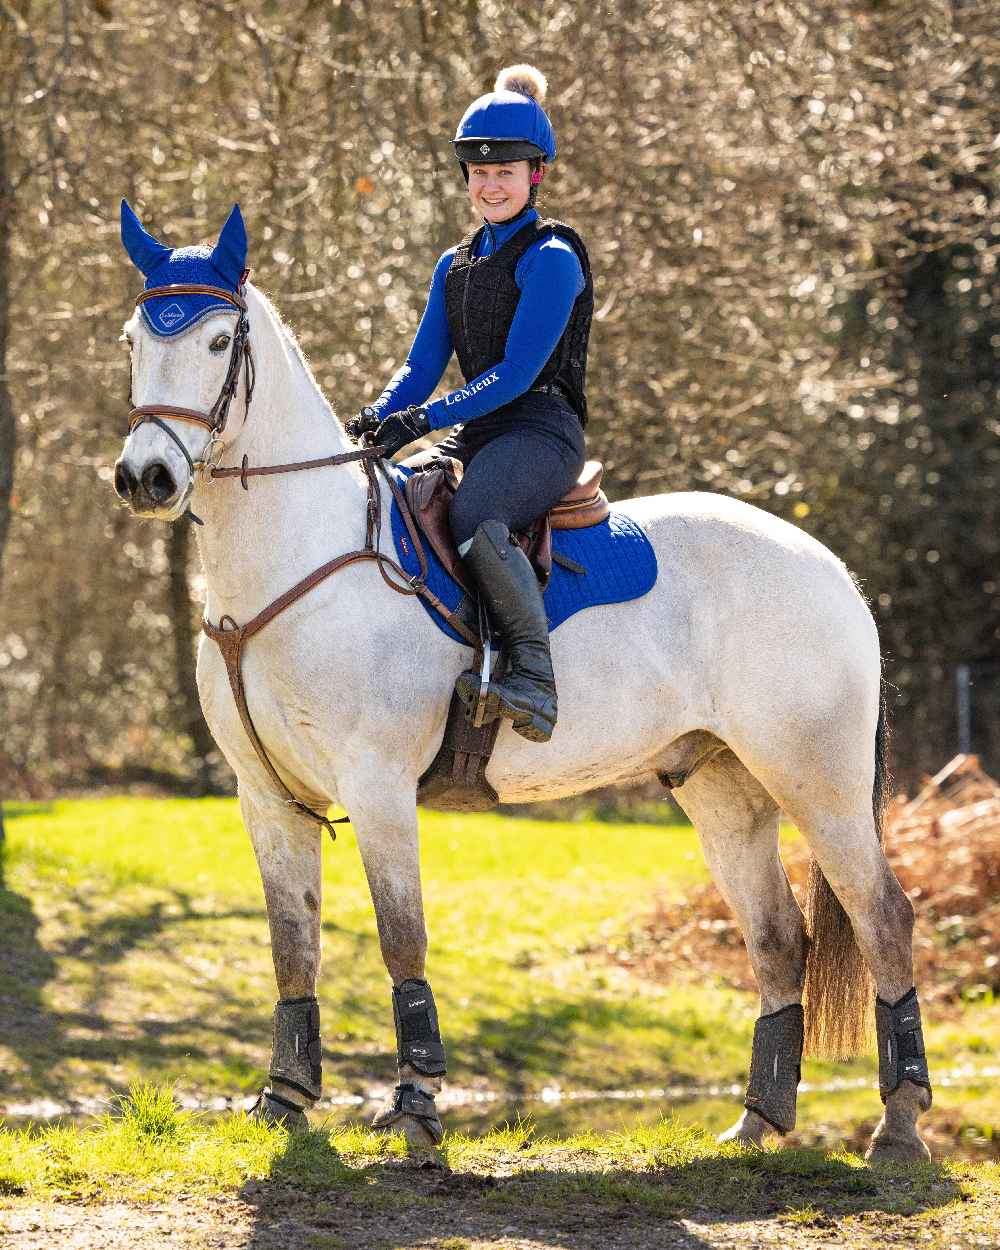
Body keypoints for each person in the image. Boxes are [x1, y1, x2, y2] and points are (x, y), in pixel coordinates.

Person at [349, 64, 594, 744]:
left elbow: (518, 372)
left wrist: (423, 420)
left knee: (477, 514)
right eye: (479, 174)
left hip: (540, 428)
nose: (490, 185)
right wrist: (378, 415)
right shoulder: (452, 264)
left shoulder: (551, 257)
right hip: (479, 429)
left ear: (534, 176)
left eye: (506, 173)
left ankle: (534, 678)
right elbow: (422, 363)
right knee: (392, 495)